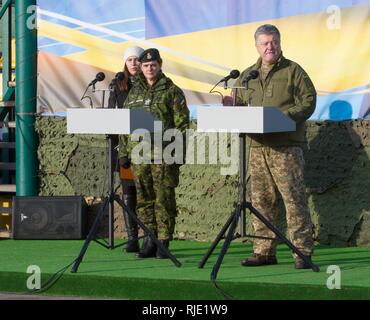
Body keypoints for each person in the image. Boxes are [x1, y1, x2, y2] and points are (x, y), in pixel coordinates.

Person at [234, 24, 316, 269]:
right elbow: (238, 106)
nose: (269, 47)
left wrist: (283, 117)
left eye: (273, 42)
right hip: (258, 148)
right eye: (264, 43)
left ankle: (302, 252)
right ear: (257, 46)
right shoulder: (247, 75)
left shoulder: (293, 71)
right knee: (261, 201)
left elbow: (308, 101)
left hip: (286, 148)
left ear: (280, 43)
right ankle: (264, 251)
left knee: (294, 200)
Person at [119, 48, 189, 259]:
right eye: (146, 65)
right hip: (139, 156)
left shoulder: (172, 91)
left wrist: (178, 154)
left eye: (153, 65)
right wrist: (123, 151)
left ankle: (164, 242)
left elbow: (183, 125)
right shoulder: (134, 91)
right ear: (141, 67)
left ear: (160, 65)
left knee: (164, 200)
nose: (149, 68)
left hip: (163, 155)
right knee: (144, 200)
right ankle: (149, 238)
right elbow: (125, 123)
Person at [108, 45, 144, 253]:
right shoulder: (118, 84)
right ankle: (132, 238)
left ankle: (151, 237)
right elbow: (111, 116)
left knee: (146, 194)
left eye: (137, 59)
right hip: (125, 149)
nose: (133, 63)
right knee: (129, 192)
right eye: (130, 60)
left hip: (145, 146)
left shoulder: (149, 85)